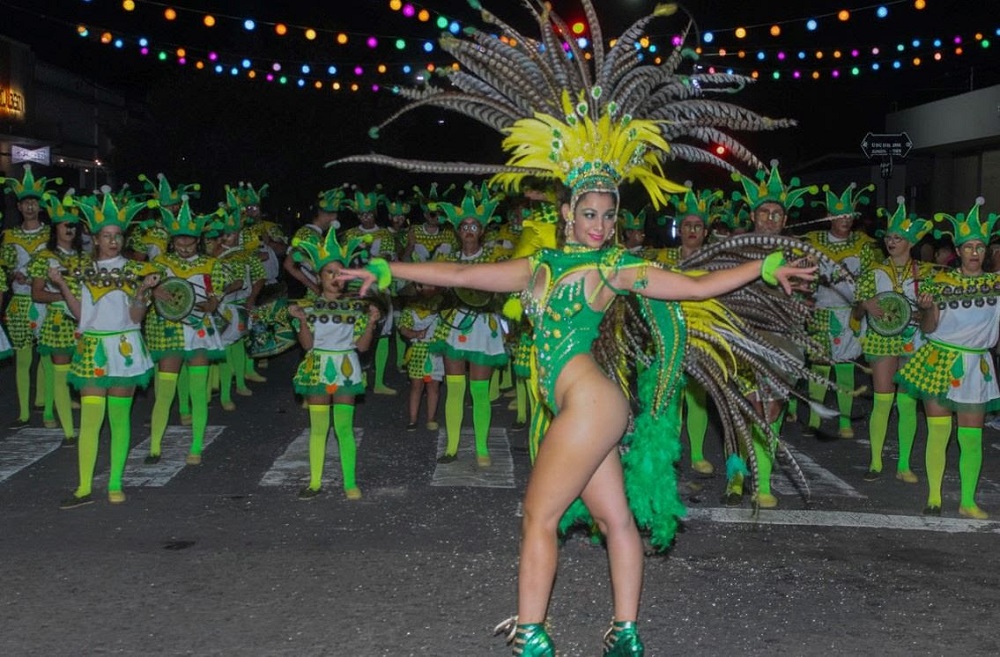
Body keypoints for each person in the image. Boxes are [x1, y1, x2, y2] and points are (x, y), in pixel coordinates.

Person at [330, 5, 816, 653]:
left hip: (588, 402)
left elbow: (694, 286)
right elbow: (463, 275)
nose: (599, 223)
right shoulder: (539, 266)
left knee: (539, 513)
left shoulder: (611, 267)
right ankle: (625, 633)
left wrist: (769, 261)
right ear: (567, 212)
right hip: (592, 404)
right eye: (588, 212)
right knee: (614, 517)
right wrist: (387, 268)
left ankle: (531, 634)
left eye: (607, 214)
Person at [51, 189, 159, 508]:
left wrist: (141, 290)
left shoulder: (135, 271)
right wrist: (60, 285)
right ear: (96, 238)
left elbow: (136, 317)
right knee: (91, 420)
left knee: (119, 418)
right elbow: (82, 315)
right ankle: (83, 487)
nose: (113, 241)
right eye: (107, 235)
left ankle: (115, 482)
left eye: (118, 236)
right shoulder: (82, 271)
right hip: (93, 347)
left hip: (124, 347)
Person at [896, 198, 1000, 519]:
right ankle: (934, 497)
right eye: (967, 247)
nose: (973, 253)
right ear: (958, 249)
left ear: (986, 252)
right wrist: (926, 309)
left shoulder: (996, 285)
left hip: (977, 367)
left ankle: (967, 501)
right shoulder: (937, 282)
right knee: (939, 432)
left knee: (971, 439)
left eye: (979, 248)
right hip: (937, 360)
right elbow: (929, 328)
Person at [287, 228, 381, 501]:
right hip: (317, 367)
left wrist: (372, 323)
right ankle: (315, 482)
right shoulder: (309, 307)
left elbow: (362, 347)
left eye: (340, 273)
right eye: (329, 273)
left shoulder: (357, 309)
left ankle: (349, 482)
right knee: (318, 429)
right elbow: (306, 345)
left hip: (347, 369)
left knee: (343, 428)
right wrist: (302, 320)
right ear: (319, 277)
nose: (335, 278)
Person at [853, 197, 935, 483]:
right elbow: (856, 308)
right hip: (881, 339)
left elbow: (934, 312)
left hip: (914, 339)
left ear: (910, 242)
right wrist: (866, 304)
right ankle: (875, 462)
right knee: (883, 400)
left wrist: (923, 310)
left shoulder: (926, 273)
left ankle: (903, 465)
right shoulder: (873, 271)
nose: (891, 242)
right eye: (889, 236)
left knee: (908, 404)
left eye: (898, 238)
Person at [428, 184, 509, 466]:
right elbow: (435, 288)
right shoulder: (448, 259)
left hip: (484, 328)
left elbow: (505, 288)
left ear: (482, 230)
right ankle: (451, 447)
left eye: (475, 225)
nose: (470, 230)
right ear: (458, 231)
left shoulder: (495, 258)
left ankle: (482, 449)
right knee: (454, 388)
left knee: (479, 390)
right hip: (453, 326)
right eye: (465, 226)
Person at [143, 197, 226, 466]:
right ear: (172, 240)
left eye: (190, 242)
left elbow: (216, 296)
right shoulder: (159, 264)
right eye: (180, 242)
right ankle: (154, 446)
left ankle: (196, 446)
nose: (185, 247)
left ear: (197, 241)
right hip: (169, 331)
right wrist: (154, 291)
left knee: (198, 392)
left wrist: (212, 303)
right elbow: (146, 293)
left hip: (199, 330)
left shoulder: (211, 264)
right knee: (164, 393)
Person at [801, 184, 878, 439]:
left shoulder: (863, 245)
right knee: (819, 369)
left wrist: (862, 307)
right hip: (821, 310)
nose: (844, 220)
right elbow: (804, 277)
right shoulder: (813, 243)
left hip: (849, 314)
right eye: (839, 215)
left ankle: (845, 421)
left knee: (845, 368)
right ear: (829, 217)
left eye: (848, 216)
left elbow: (868, 280)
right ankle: (814, 419)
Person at [28, 189, 90, 442]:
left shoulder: (86, 258)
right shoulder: (44, 257)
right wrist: (66, 297)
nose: (70, 231)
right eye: (66, 226)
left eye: (74, 227)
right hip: (58, 323)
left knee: (87, 375)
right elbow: (37, 294)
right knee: (62, 376)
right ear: (56, 228)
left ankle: (88, 424)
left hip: (85, 323)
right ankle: (67, 430)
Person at [1, 164, 56, 428]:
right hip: (21, 302)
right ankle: (23, 412)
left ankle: (45, 407)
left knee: (46, 355)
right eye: (26, 203)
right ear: (20, 207)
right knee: (23, 359)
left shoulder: (50, 234)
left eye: (34, 202)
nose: (30, 207)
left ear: (40, 206)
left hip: (44, 301)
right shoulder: (9, 236)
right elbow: (7, 267)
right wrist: (14, 275)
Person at [345, 187, 399, 395]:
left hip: (379, 289)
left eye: (369, 213)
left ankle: (379, 382)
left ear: (375, 213)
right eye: (361, 214)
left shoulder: (384, 234)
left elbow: (383, 261)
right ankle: (361, 376)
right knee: (358, 332)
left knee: (383, 333)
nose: (365, 217)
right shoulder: (349, 235)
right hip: (354, 290)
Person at [284, 187, 346, 297]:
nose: (334, 218)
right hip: (313, 296)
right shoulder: (306, 233)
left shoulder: (319, 235)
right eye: (331, 214)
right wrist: (315, 288)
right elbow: (289, 264)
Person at [397, 283, 444, 431]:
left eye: (432, 286)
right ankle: (412, 420)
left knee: (433, 386)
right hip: (417, 350)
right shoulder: (410, 309)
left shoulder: (443, 309)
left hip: (435, 351)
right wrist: (414, 334)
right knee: (416, 386)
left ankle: (431, 419)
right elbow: (403, 328)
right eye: (425, 286)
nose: (429, 289)